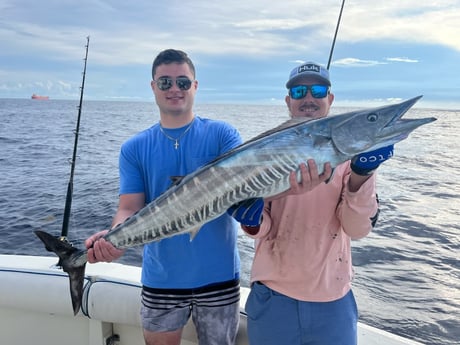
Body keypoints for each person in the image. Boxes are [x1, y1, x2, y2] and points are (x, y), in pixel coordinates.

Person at [84, 49, 244, 345]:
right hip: (162, 279)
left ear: (195, 86)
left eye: (183, 82)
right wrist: (115, 240)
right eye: (165, 82)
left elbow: (244, 189)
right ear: (153, 87)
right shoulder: (134, 147)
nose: (174, 89)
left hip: (219, 276)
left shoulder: (223, 134)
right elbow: (129, 208)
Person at [238, 62, 394, 345]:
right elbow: (261, 225)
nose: (308, 98)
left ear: (329, 99)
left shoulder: (352, 154)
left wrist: (362, 174)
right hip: (273, 297)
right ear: (289, 101)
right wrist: (252, 220)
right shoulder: (264, 148)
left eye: (318, 90)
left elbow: (356, 229)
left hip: (332, 301)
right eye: (299, 91)